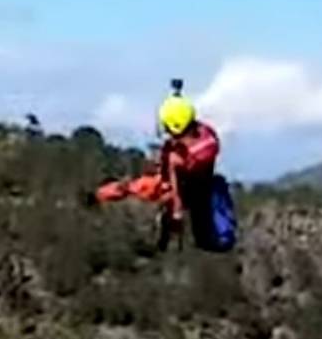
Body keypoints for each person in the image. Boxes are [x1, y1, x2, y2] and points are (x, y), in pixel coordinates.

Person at [85, 87, 221, 250]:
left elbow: (175, 183)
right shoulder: (206, 135)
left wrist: (176, 210)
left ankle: (96, 197)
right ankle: (99, 195)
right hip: (193, 184)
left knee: (134, 188)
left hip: (179, 189)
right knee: (135, 188)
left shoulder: (178, 159)